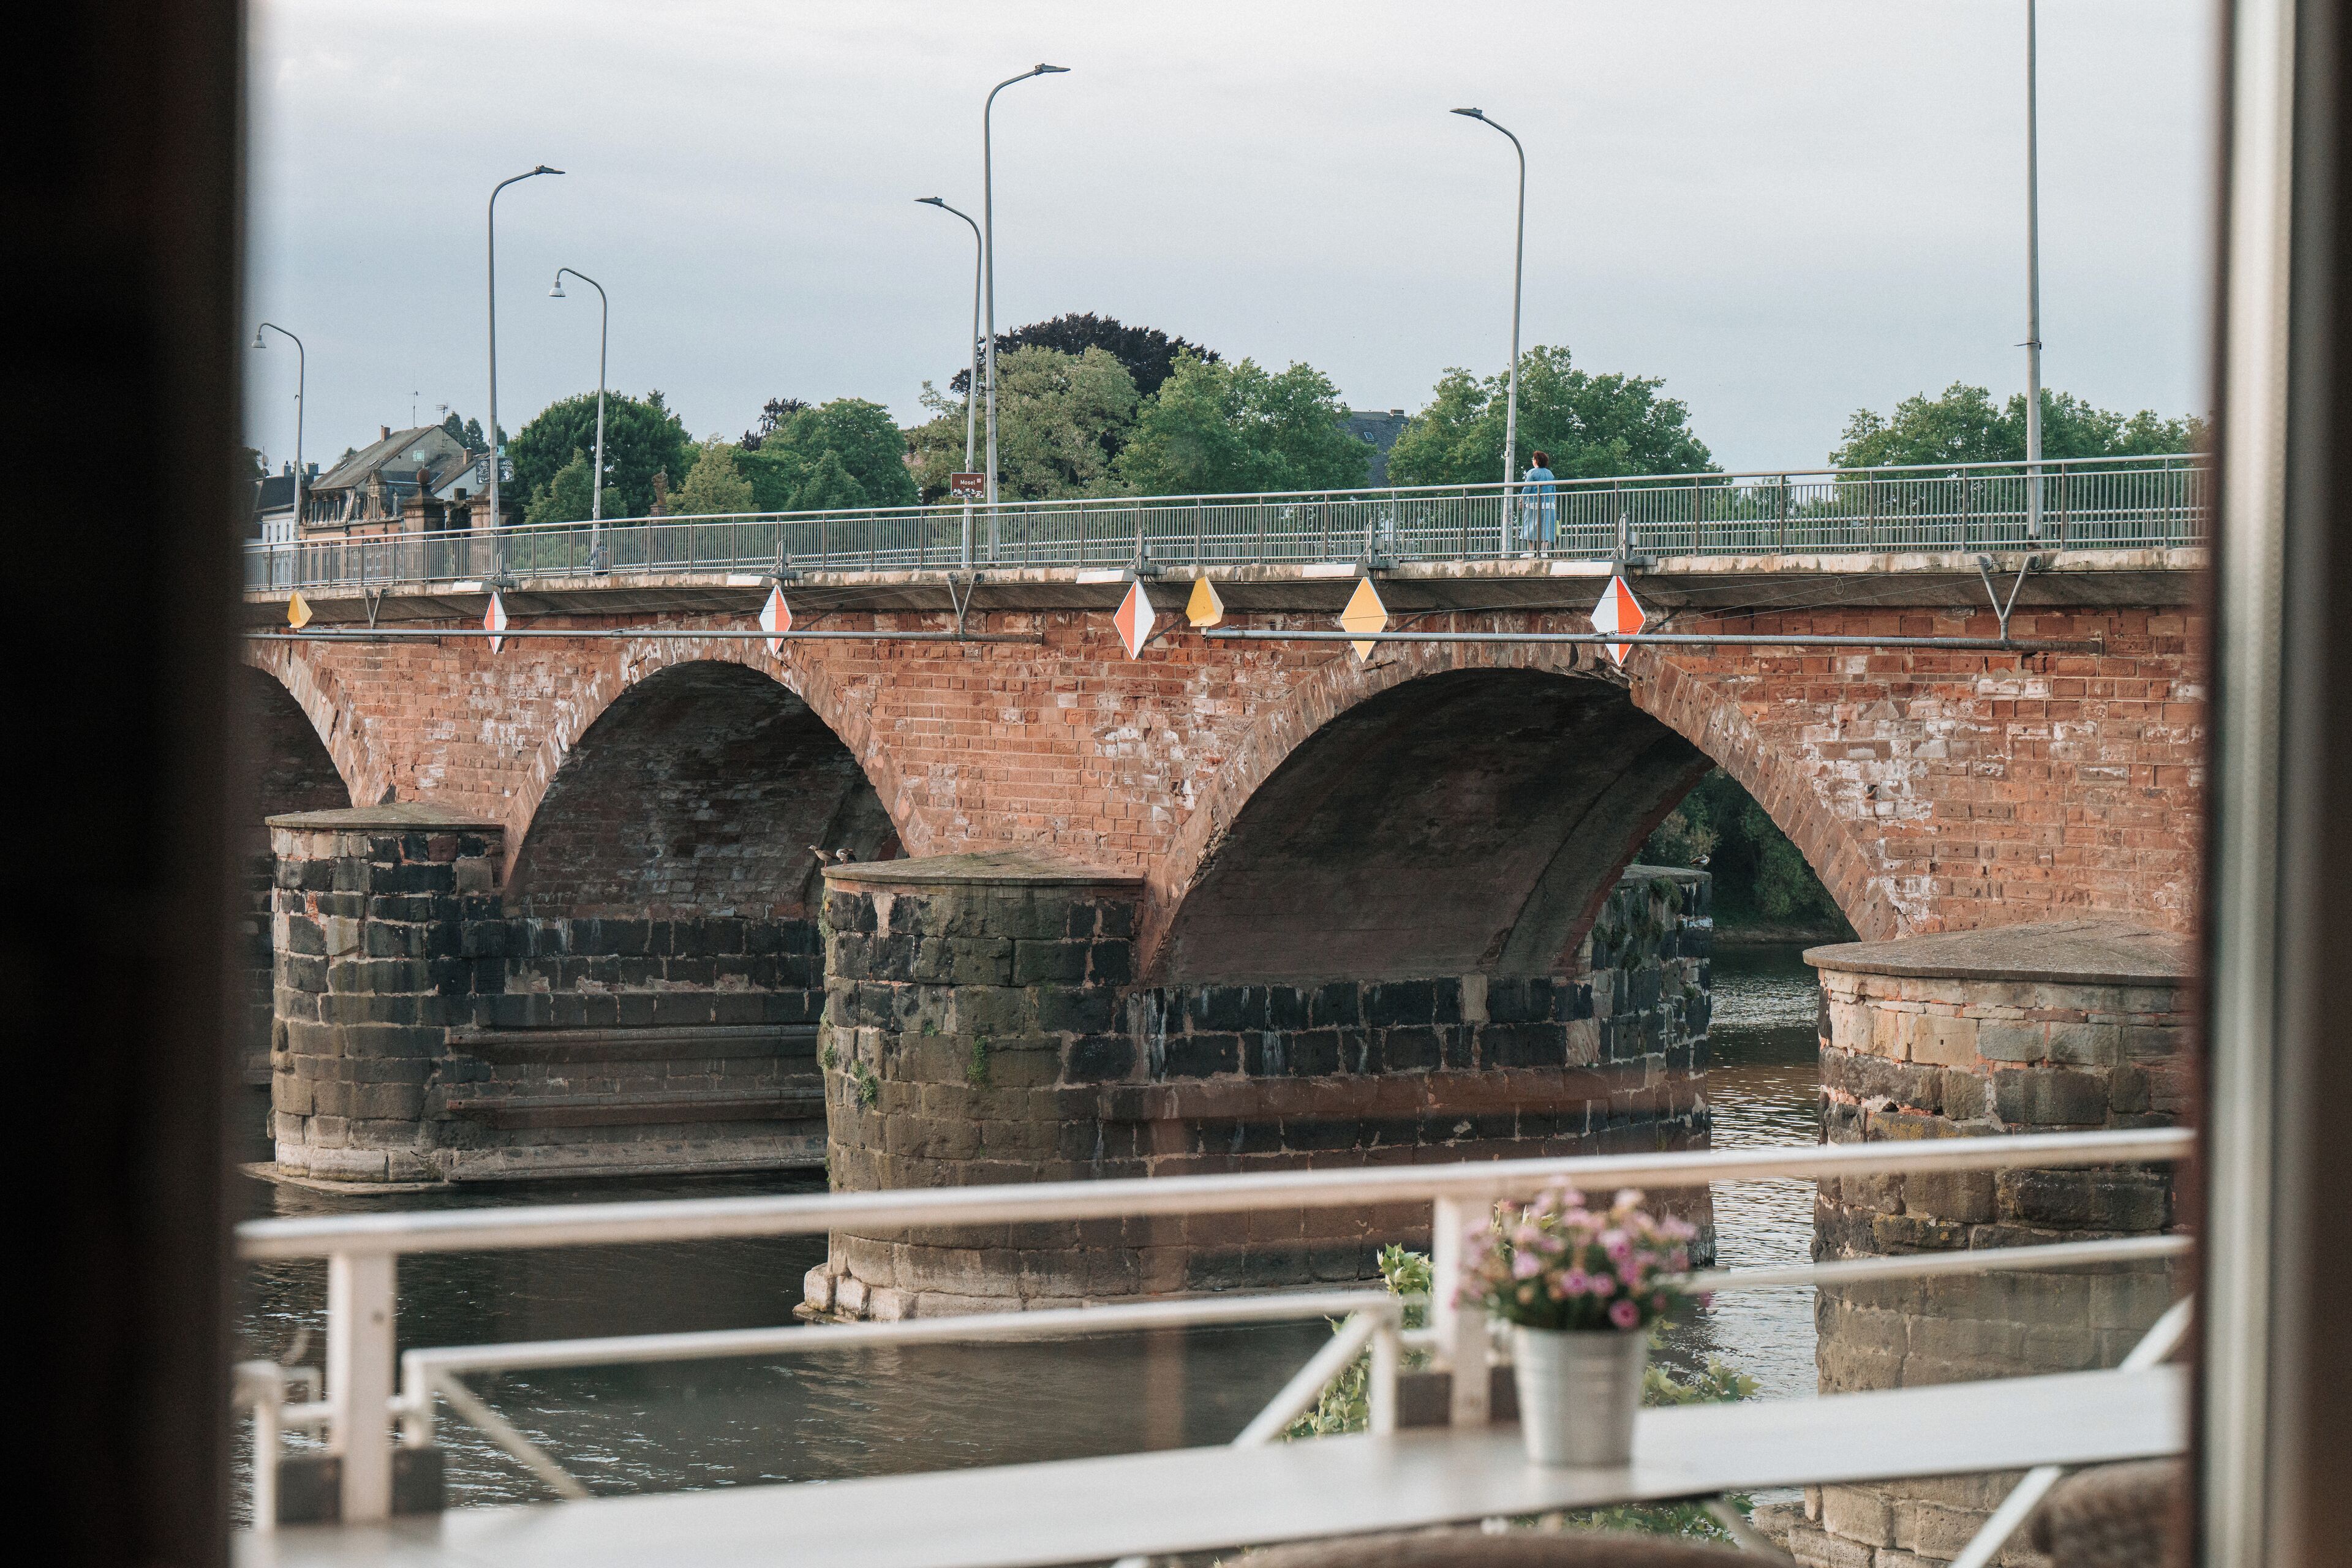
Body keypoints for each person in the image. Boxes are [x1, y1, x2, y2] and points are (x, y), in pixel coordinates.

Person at [1519, 449, 1558, 555]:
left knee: (1530, 526)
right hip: (1549, 504)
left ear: (1536, 461)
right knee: (1547, 527)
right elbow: (1553, 490)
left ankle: (1531, 551)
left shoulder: (1532, 472)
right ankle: (1544, 551)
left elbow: (1527, 488)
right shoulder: (1550, 474)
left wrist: (1522, 500)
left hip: (1534, 504)